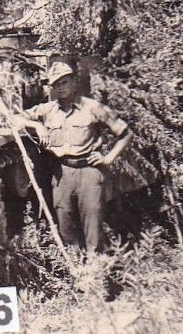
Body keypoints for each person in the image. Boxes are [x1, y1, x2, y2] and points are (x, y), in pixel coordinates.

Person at [15, 61, 132, 253]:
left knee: (93, 230)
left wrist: (108, 159)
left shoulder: (92, 107)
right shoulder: (48, 110)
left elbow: (125, 133)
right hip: (62, 174)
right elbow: (13, 118)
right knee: (66, 228)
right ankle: (77, 273)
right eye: (55, 84)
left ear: (74, 82)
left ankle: (96, 274)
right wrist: (37, 125)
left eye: (64, 82)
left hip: (89, 172)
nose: (60, 88)